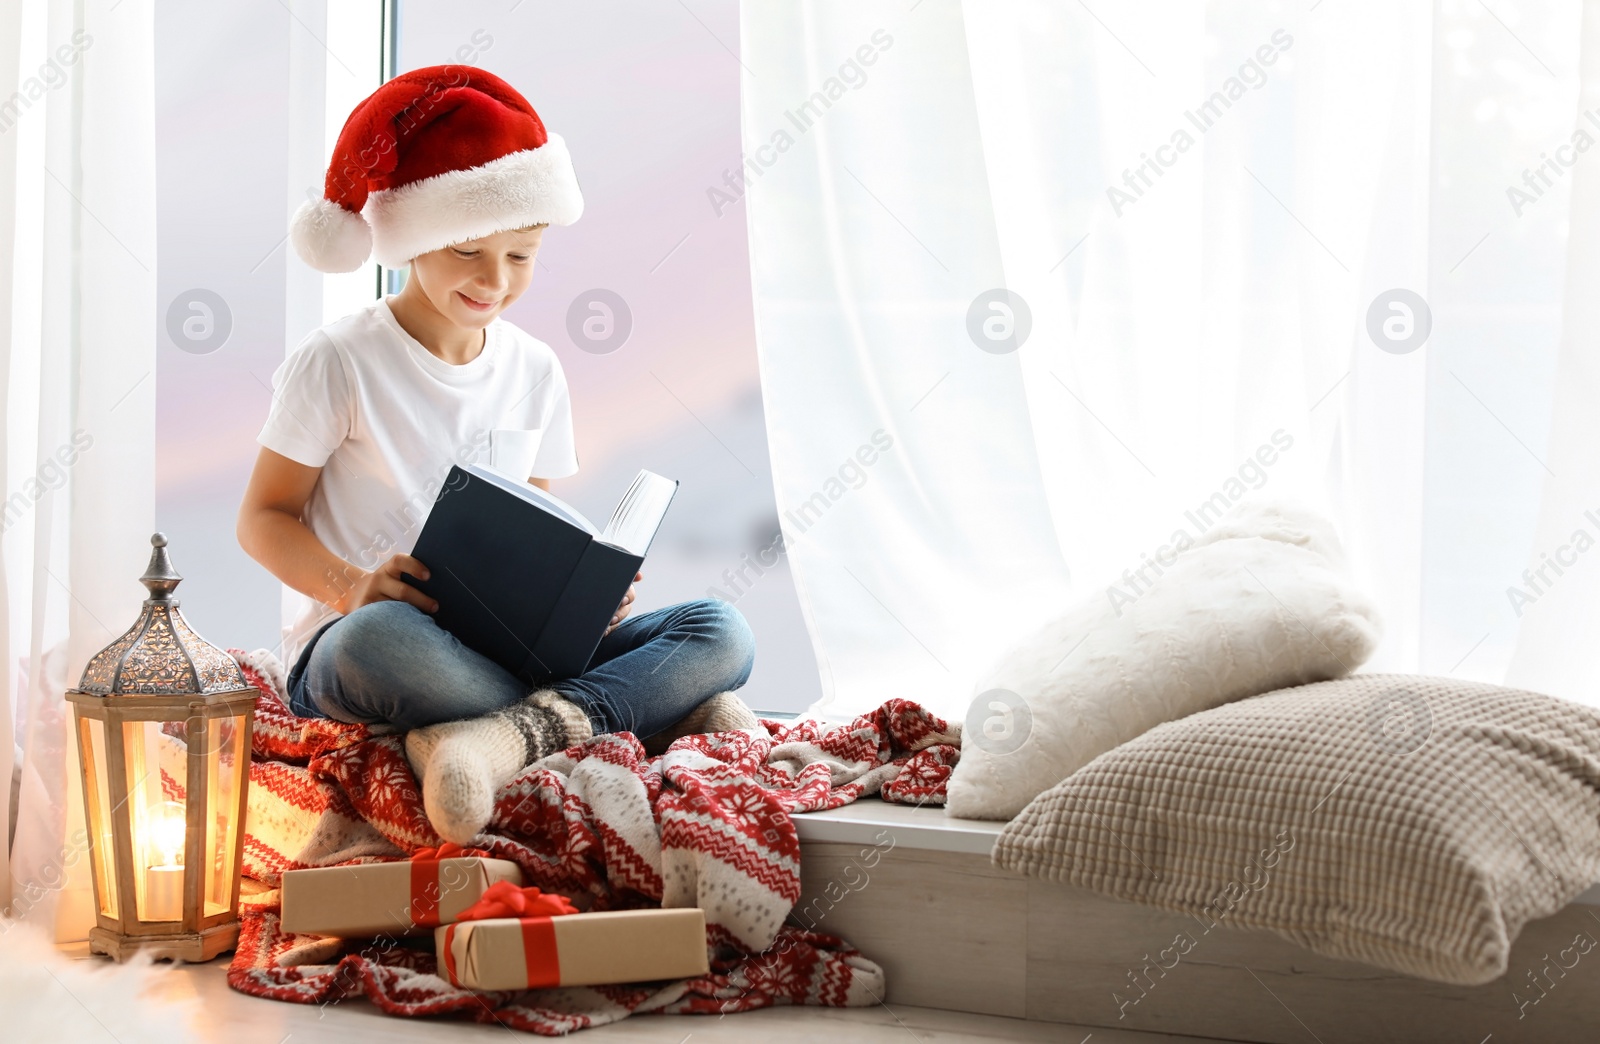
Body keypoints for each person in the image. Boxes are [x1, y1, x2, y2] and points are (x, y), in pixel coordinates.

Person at [236, 65, 759, 844]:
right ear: (409, 241)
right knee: (378, 644)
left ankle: (500, 736)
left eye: (521, 256)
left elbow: (535, 524)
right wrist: (353, 589)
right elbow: (261, 519)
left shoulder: (535, 368)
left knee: (721, 629)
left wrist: (582, 594)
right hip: (370, 641)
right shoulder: (340, 360)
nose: (495, 279)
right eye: (468, 253)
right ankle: (630, 712)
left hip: (498, 654)